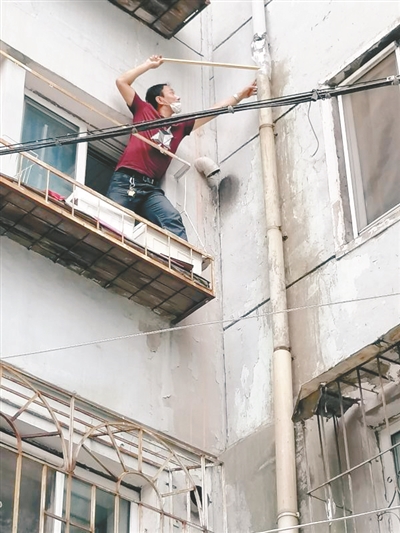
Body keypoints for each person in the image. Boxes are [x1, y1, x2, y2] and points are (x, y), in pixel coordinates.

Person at [106, 55, 257, 241]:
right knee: (112, 222)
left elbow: (212, 111)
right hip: (127, 179)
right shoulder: (144, 110)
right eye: (172, 92)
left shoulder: (180, 125)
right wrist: (148, 65)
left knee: (171, 218)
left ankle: (183, 267)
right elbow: (122, 82)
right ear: (160, 99)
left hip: (151, 188)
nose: (177, 96)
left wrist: (240, 96)